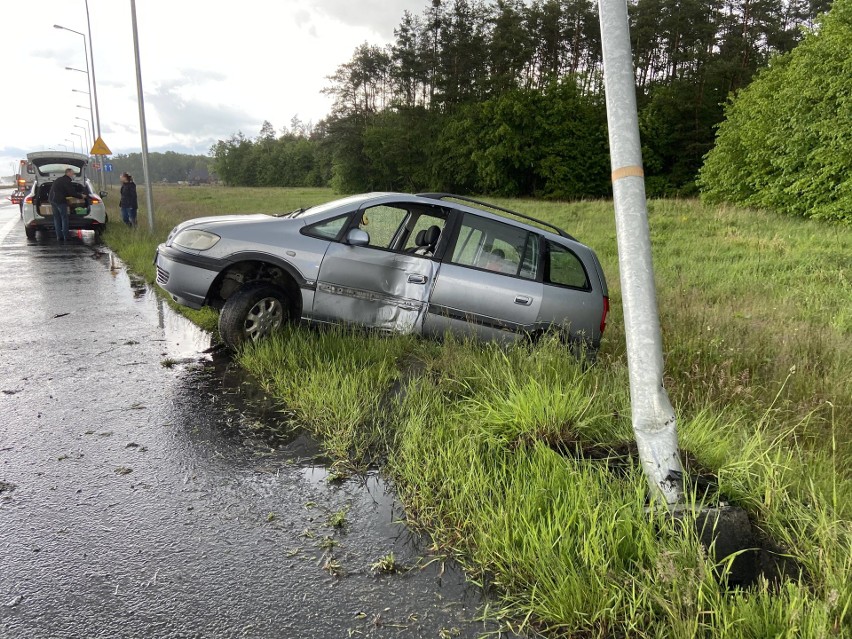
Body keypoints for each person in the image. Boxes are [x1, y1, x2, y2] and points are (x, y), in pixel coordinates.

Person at [48, 168, 77, 241]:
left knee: (57, 218)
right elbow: (71, 192)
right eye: (72, 173)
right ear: (68, 173)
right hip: (60, 201)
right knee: (64, 218)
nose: (73, 174)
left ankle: (59, 236)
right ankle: (66, 236)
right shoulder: (66, 181)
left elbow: (63, 191)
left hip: (52, 200)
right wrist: (81, 196)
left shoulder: (59, 179)